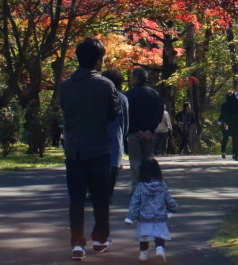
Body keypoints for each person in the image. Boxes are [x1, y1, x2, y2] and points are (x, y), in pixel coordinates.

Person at [59, 37, 120, 260]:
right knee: (100, 196)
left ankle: (76, 242)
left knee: (76, 198)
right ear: (97, 60)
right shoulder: (105, 85)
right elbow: (114, 113)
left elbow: (65, 110)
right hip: (99, 147)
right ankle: (100, 238)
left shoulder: (66, 86)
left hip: (74, 148)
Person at [125, 158, 177, 262]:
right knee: (159, 235)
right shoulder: (162, 185)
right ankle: (160, 250)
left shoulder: (141, 186)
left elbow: (135, 202)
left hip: (144, 217)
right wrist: (173, 207)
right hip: (160, 216)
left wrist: (130, 217)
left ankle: (143, 254)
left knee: (144, 236)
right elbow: (168, 198)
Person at [125, 67, 164, 191]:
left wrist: (136, 129)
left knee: (135, 161)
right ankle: (148, 185)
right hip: (149, 133)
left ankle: (137, 187)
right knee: (147, 160)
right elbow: (158, 112)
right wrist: (150, 129)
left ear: (136, 78)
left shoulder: (129, 95)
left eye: (132, 76)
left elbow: (127, 114)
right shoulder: (154, 94)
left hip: (134, 133)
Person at [101, 69, 129, 204]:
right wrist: (124, 135)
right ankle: (109, 192)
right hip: (116, 134)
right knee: (113, 164)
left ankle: (95, 191)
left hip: (99, 134)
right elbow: (126, 121)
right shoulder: (123, 98)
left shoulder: (98, 96)